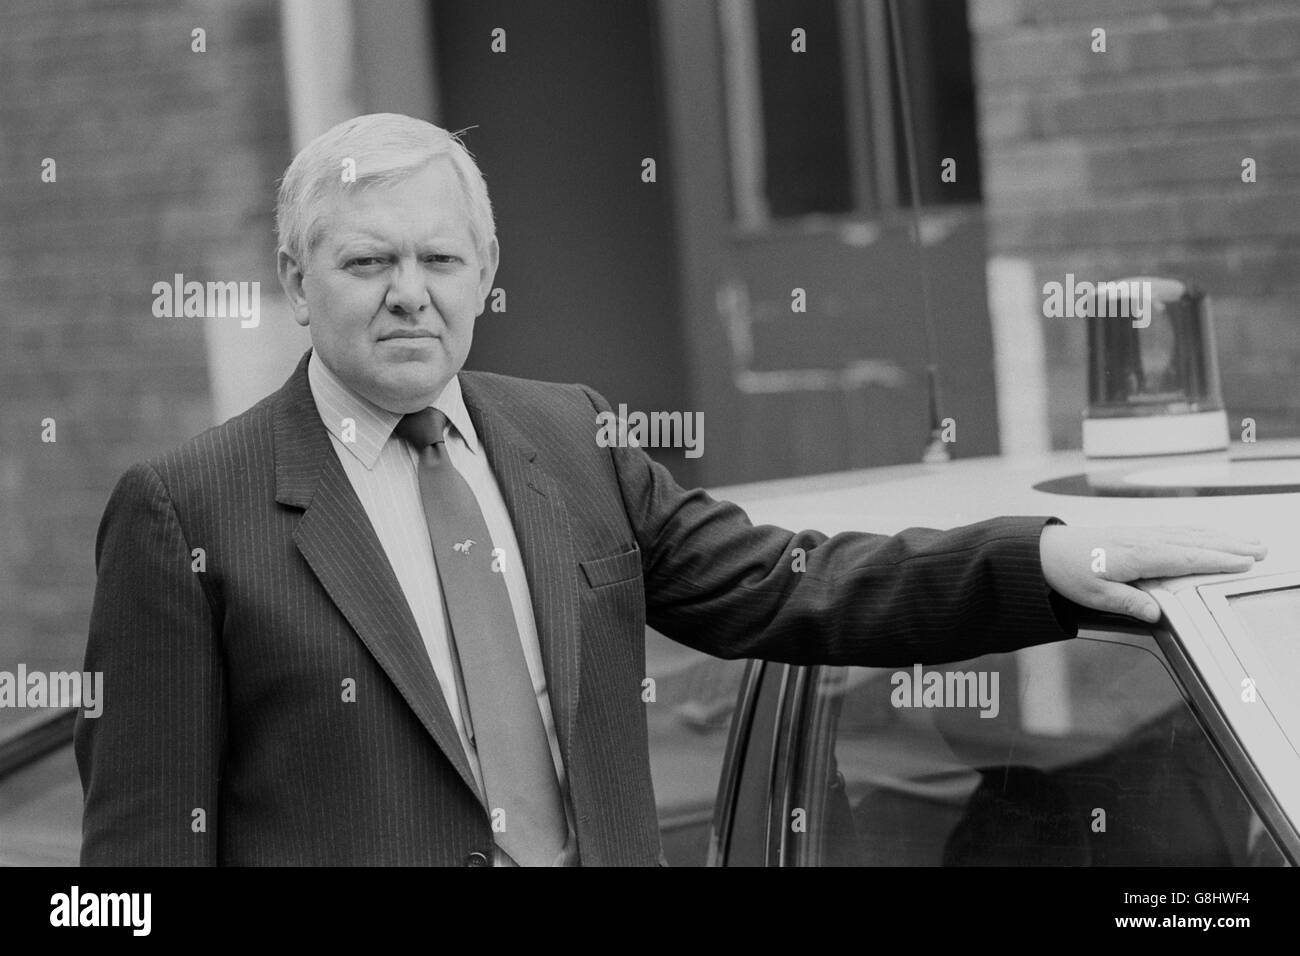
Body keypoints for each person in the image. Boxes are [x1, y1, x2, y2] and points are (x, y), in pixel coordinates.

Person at [75, 113, 1266, 866]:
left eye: (438, 259)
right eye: (367, 260)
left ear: (485, 270)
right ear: (296, 277)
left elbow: (799, 585)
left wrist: (1046, 561)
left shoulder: (570, 436)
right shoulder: (187, 508)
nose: (409, 292)